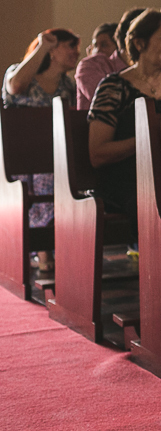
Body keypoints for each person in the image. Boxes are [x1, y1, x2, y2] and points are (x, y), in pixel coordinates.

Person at [88, 10, 161, 226]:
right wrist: (145, 141)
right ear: (139, 43)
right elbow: (97, 153)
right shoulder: (113, 86)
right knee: (156, 203)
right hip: (126, 181)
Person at [3, 28, 80, 271]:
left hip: (55, 157)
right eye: (70, 46)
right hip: (21, 158)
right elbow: (15, 87)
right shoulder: (21, 74)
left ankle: (59, 252)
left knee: (63, 175)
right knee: (48, 176)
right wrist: (42, 45)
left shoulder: (68, 85)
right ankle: (45, 255)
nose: (76, 52)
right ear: (53, 51)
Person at [76, 8, 142, 111]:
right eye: (95, 45)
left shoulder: (156, 66)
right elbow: (106, 102)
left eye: (104, 45)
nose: (97, 51)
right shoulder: (90, 66)